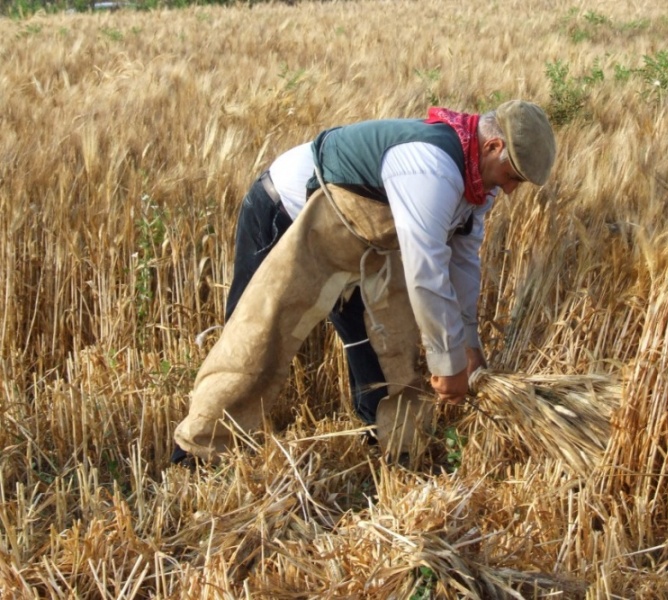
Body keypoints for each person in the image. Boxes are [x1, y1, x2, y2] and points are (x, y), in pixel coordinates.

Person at [171, 99, 556, 465]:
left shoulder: (478, 186)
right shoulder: (431, 168)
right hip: (288, 209)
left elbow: (462, 263)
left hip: (357, 235)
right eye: (512, 176)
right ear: (492, 146)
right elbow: (426, 270)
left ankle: (387, 444)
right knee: (256, 333)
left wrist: (469, 345)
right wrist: (448, 363)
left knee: (385, 339)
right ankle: (196, 451)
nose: (509, 190)